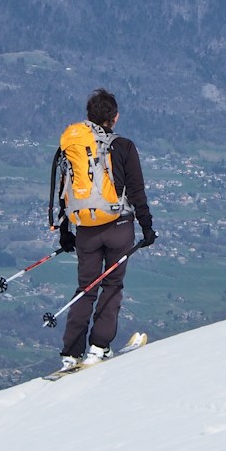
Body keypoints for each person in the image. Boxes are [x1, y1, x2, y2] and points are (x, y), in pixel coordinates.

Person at [56, 88, 156, 371]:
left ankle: (70, 353)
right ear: (115, 118)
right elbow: (137, 191)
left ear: (89, 117)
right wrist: (147, 227)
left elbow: (65, 191)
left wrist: (65, 231)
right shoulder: (124, 146)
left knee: (85, 288)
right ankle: (98, 348)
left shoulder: (75, 147)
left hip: (85, 229)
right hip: (118, 227)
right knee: (112, 285)